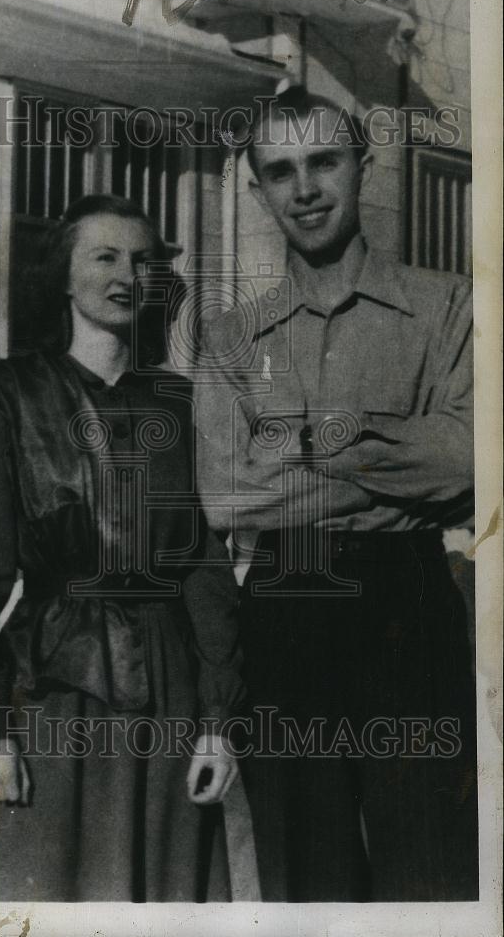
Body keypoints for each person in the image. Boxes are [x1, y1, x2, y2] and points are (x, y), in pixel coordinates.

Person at [196, 86, 478, 901]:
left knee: (432, 864)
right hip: (285, 606)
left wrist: (308, 439)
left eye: (323, 161)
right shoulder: (231, 337)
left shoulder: (448, 306)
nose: (305, 189)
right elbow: (227, 497)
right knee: (304, 871)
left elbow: (466, 460)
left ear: (363, 166)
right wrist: (398, 467)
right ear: (259, 192)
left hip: (408, 601)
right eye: (280, 172)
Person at [0, 194, 247, 901]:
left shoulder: (181, 404)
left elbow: (205, 572)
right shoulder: (4, 396)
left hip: (170, 689)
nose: (126, 275)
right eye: (105, 257)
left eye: (142, 260)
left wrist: (218, 722)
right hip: (54, 685)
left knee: (164, 896)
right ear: (64, 277)